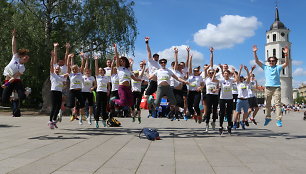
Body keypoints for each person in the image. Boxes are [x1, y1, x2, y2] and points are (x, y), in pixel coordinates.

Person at [253, 45, 289, 127]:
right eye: (270, 61)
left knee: (278, 104)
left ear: (275, 61)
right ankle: (268, 118)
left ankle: (279, 120)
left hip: (277, 88)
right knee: (267, 104)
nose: (271, 62)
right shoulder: (266, 67)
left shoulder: (278, 67)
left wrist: (286, 55)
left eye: (273, 61)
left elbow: (286, 63)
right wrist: (255, 52)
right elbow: (257, 61)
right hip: (268, 87)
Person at [2, 29, 29, 107]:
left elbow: (14, 77)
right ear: (22, 56)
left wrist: (6, 84)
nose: (26, 58)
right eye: (25, 57)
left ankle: (25, 91)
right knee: (4, 99)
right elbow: (13, 46)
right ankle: (12, 95)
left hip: (16, 80)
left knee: (22, 96)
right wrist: (13, 36)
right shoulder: (15, 57)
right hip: (9, 78)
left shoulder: (22, 68)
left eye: (27, 59)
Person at [49, 43, 68, 129]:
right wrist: (53, 55)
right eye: (56, 69)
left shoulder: (61, 76)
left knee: (58, 106)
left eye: (58, 69)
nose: (57, 69)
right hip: (53, 91)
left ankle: (53, 120)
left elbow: (66, 77)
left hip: (59, 92)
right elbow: (51, 64)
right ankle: (50, 121)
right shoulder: (52, 74)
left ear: (60, 70)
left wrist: (65, 81)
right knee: (54, 106)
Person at [204, 47, 219, 132]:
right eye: (209, 72)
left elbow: (218, 87)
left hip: (215, 95)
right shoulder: (206, 78)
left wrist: (216, 90)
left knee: (214, 110)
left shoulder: (216, 79)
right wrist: (211, 53)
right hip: (209, 95)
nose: (210, 73)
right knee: (208, 110)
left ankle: (213, 122)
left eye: (212, 72)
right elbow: (210, 63)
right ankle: (207, 124)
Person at [144, 37, 160, 117]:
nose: (156, 58)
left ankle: (156, 110)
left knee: (158, 97)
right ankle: (150, 110)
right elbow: (149, 51)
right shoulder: (151, 61)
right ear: (153, 58)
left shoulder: (159, 65)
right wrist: (147, 43)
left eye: (157, 57)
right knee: (147, 96)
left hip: (158, 83)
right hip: (152, 82)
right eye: (155, 57)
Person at [186, 53, 204, 123]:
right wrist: (190, 59)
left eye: (197, 71)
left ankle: (199, 115)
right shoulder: (190, 75)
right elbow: (189, 67)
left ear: (198, 71)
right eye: (194, 70)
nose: (195, 71)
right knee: (189, 106)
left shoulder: (200, 77)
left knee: (196, 105)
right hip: (190, 92)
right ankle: (194, 115)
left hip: (197, 92)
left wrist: (200, 87)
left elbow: (203, 84)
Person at [218, 68, 236, 135]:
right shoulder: (221, 80)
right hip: (222, 98)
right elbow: (213, 79)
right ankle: (220, 126)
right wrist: (214, 73)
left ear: (229, 74)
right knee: (222, 113)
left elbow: (236, 79)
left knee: (229, 113)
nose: (226, 74)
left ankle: (229, 126)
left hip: (229, 98)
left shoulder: (231, 80)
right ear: (223, 74)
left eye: (227, 73)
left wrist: (234, 72)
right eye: (225, 73)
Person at [94, 55, 110, 128]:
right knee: (98, 107)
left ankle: (104, 121)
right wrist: (96, 60)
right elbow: (96, 68)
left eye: (101, 70)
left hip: (104, 93)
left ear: (104, 71)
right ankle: (96, 121)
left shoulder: (106, 77)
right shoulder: (98, 76)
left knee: (104, 108)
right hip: (99, 93)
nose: (100, 71)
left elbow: (108, 85)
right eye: (99, 70)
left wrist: (108, 90)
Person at [80, 53, 96, 125]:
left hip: (89, 92)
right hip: (83, 92)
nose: (87, 72)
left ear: (90, 72)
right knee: (82, 105)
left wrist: (93, 87)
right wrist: (86, 59)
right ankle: (81, 117)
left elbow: (95, 84)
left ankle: (89, 117)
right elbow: (84, 67)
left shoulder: (92, 77)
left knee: (90, 105)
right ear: (84, 72)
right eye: (86, 71)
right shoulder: (82, 76)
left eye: (89, 71)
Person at [233, 65, 251, 130]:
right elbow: (237, 77)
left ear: (243, 79)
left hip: (245, 100)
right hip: (239, 99)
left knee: (245, 112)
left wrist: (247, 70)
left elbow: (249, 77)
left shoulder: (246, 83)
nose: (241, 79)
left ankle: (243, 121)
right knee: (237, 112)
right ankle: (234, 123)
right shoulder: (238, 84)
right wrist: (240, 69)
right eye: (240, 78)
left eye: (242, 78)